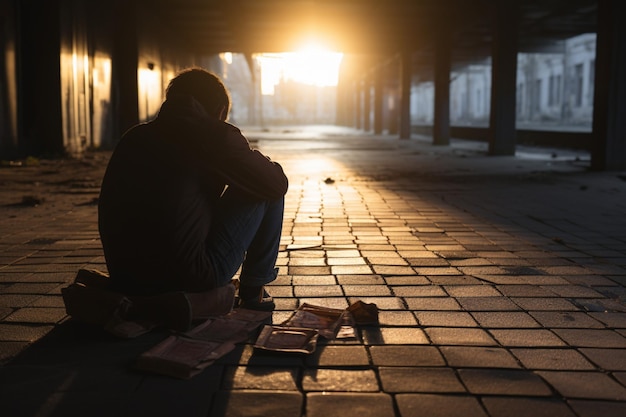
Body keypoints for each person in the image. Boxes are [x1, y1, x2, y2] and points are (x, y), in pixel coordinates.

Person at [97, 68, 288, 321]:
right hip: (189, 279)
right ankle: (254, 290)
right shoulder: (213, 135)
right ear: (220, 110)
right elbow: (276, 184)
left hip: (126, 280)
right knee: (268, 184)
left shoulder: (133, 136)